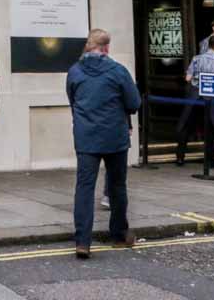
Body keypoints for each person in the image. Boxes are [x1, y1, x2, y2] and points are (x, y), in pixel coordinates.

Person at [66, 29, 141, 259]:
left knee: (84, 188)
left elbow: (72, 100)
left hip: (86, 137)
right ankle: (118, 235)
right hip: (114, 137)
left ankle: (82, 242)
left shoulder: (75, 71)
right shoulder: (118, 71)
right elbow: (134, 102)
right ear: (106, 48)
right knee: (117, 186)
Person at [175, 34, 214, 168]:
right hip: (209, 97)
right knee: (209, 128)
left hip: (194, 97)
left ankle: (180, 157)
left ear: (209, 45)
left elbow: (187, 78)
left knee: (186, 126)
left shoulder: (196, 59)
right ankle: (213, 159)